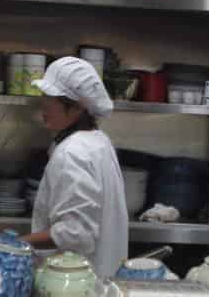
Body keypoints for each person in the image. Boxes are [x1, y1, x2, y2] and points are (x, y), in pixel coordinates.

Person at [22, 57, 129, 278]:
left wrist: (19, 243)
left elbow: (76, 233)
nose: (43, 107)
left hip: (75, 289)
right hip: (99, 281)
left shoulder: (73, 152)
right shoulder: (98, 141)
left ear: (76, 108)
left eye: (50, 100)